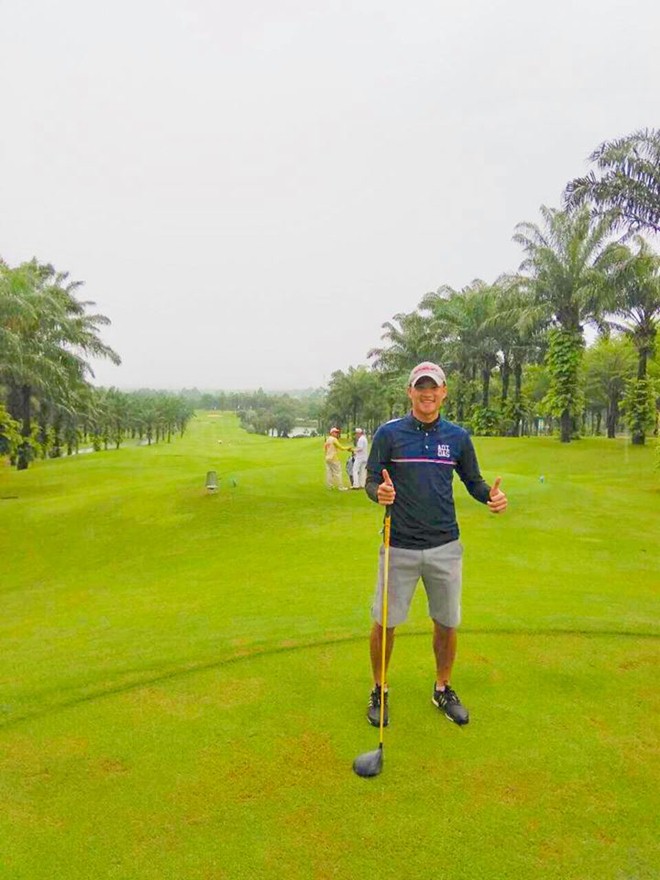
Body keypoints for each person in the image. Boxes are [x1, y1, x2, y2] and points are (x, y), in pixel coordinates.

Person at [364, 361, 507, 728]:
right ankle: (380, 689)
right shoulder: (389, 434)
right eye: (420, 387)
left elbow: (473, 481)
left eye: (434, 387)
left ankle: (442, 688)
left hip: (445, 545)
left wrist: (489, 496)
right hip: (399, 545)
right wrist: (379, 492)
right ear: (410, 392)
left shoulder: (457, 437)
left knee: (446, 621)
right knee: (385, 621)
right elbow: (370, 480)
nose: (427, 393)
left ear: (444, 392)